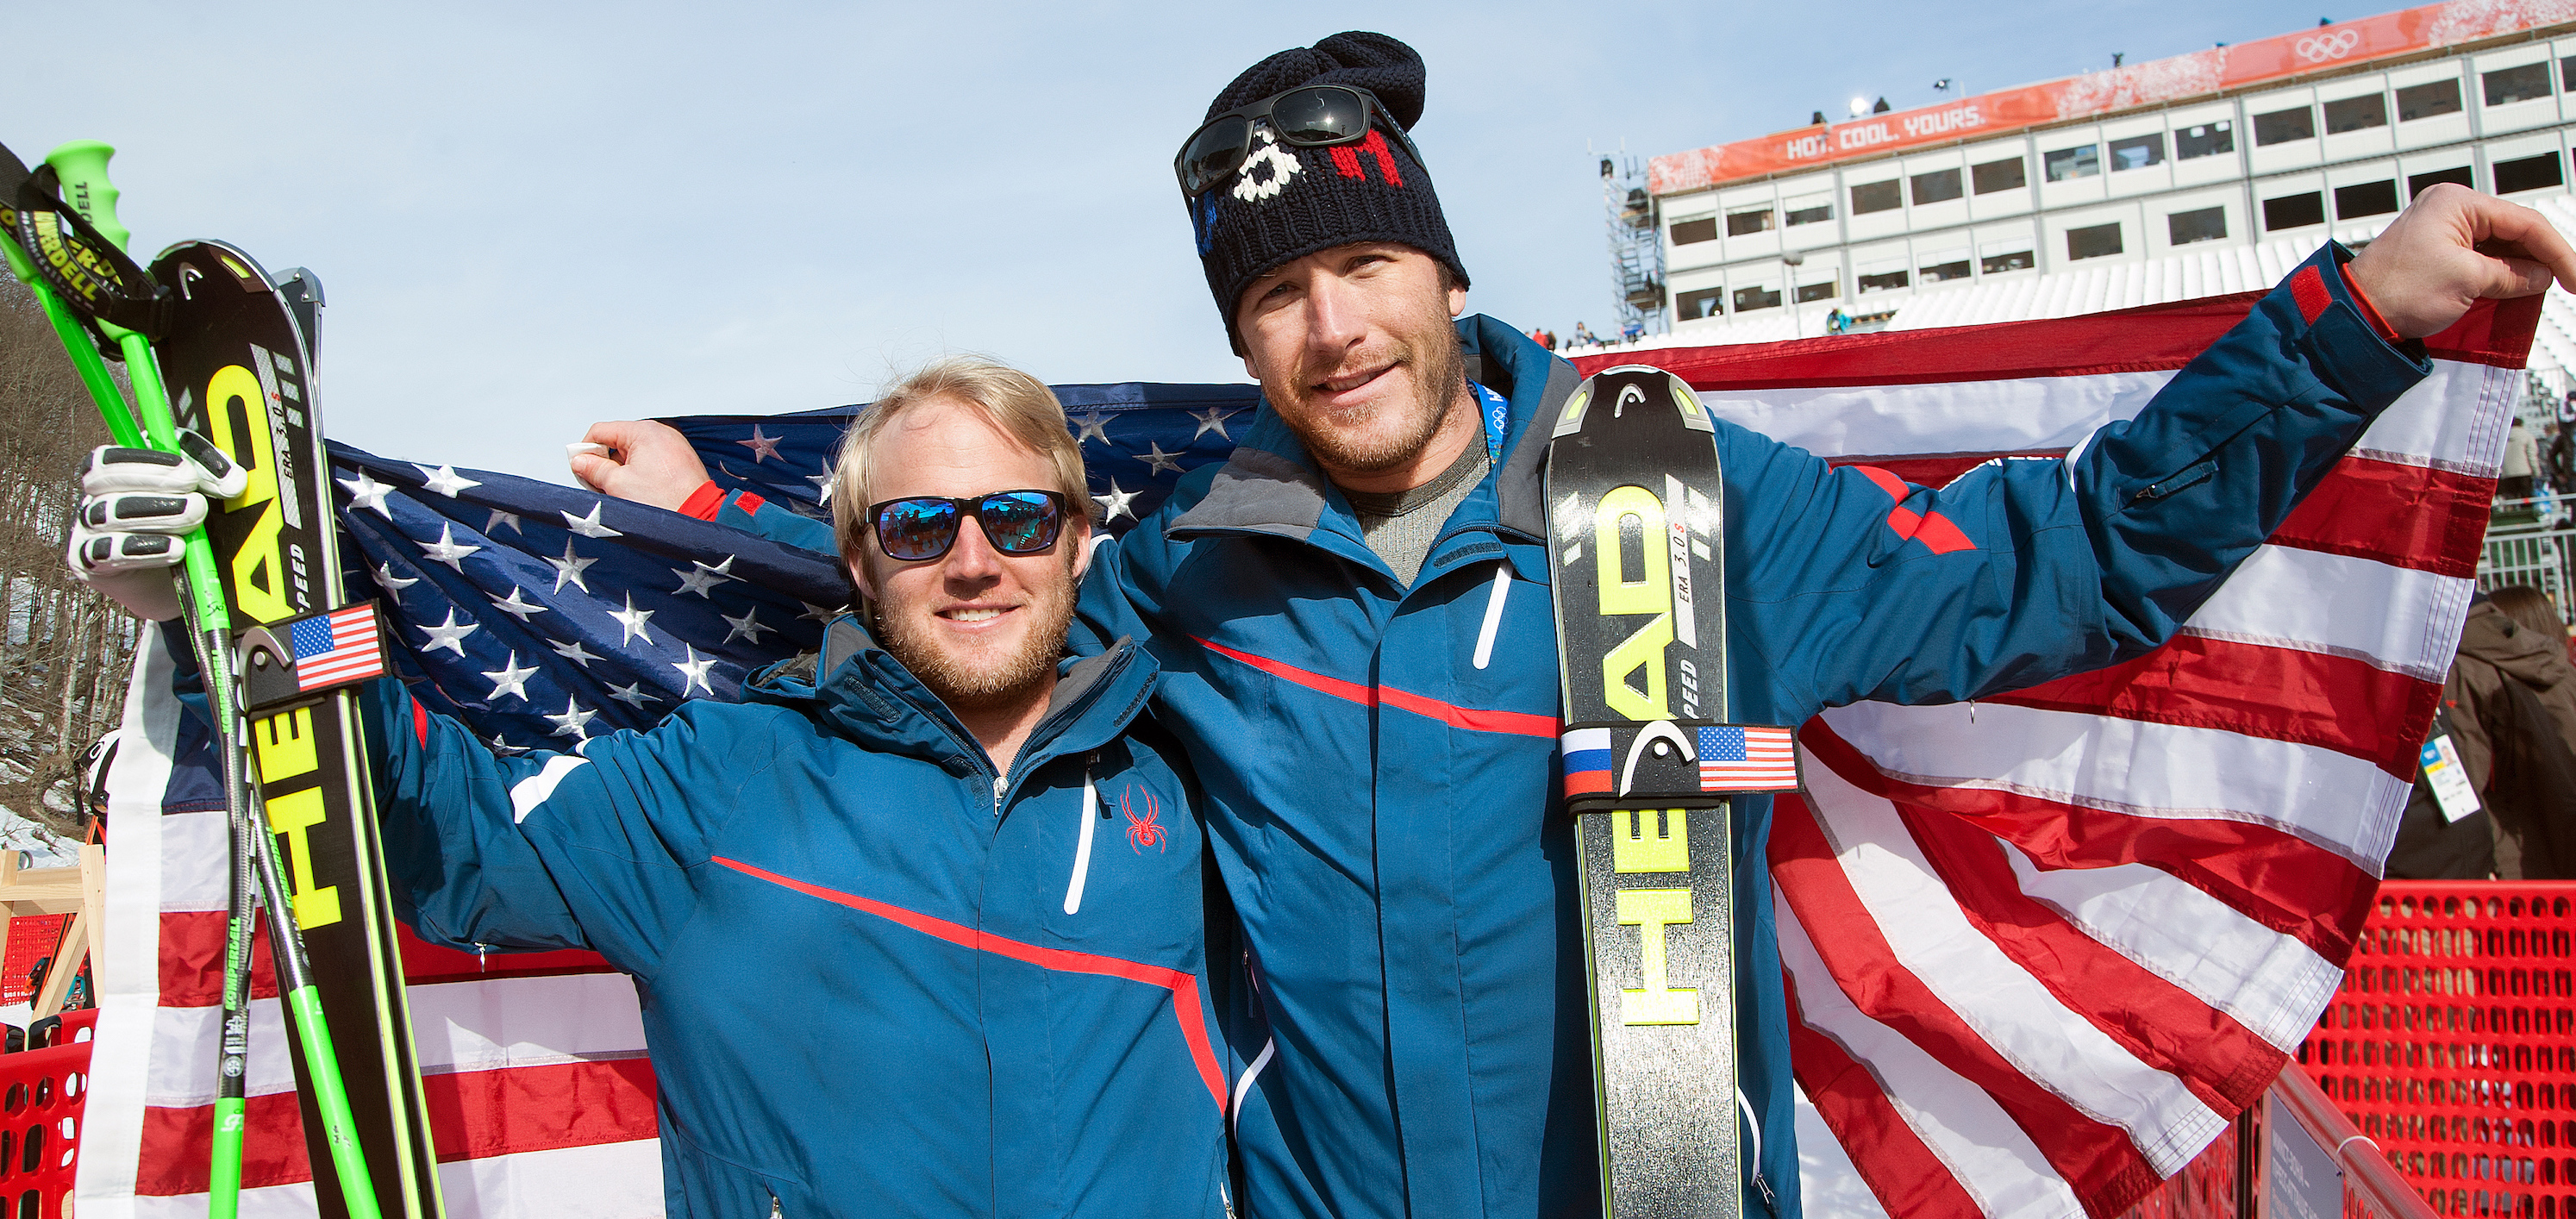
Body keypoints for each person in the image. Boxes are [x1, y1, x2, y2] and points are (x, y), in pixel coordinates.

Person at [549, 33, 2576, 1218]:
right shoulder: (1204, 574)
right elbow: (989, 591)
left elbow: (2070, 564)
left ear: (1433, 268)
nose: (1329, 325)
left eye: (1358, 261)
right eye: (1273, 295)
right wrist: (721, 524)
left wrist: (2347, 321)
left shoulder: (1673, 503)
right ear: (1238, 334)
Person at [71, 359, 1239, 1218]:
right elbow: (457, 842)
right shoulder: (724, 781)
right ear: (857, 560)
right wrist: (242, 613)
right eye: (921, 523)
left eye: (1021, 517)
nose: (975, 559)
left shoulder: (1190, 786)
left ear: (1082, 543)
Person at [2389, 585, 2576, 878]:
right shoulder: (2552, 662)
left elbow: (2465, 781)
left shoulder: (2460, 669)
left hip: (2507, 865)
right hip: (2551, 850)